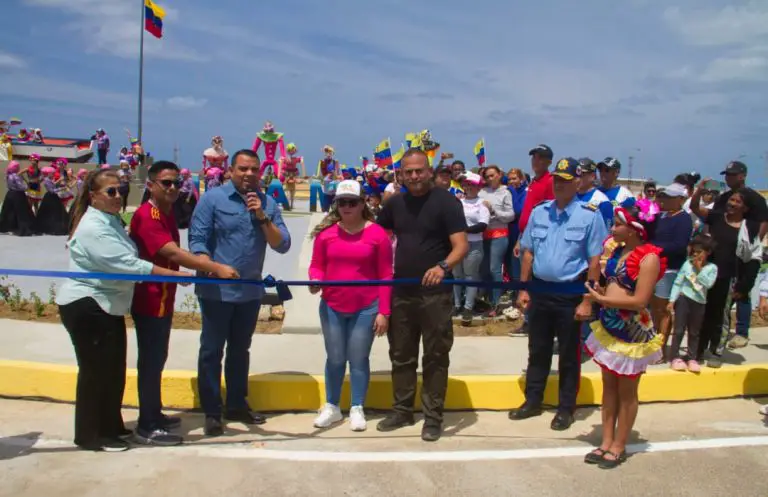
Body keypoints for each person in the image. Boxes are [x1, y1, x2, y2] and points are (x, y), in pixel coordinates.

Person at [55, 169, 190, 452]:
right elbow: (126, 263)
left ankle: (111, 428)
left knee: (112, 371)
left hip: (106, 306)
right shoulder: (93, 226)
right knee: (95, 373)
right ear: (93, 196)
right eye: (111, 192)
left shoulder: (110, 220)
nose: (118, 196)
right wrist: (172, 274)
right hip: (88, 305)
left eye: (121, 190)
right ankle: (93, 436)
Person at [129, 160, 239, 446]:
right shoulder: (148, 215)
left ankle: (155, 413)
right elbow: (171, 253)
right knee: (151, 362)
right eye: (166, 183)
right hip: (149, 300)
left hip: (163, 300)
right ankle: (147, 425)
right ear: (151, 185)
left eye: (177, 182)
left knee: (158, 358)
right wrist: (213, 267)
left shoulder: (165, 214)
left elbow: (175, 253)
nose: (173, 188)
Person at [189, 149, 291, 436]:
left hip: (249, 292)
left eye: (254, 169)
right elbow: (197, 240)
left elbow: (282, 244)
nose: (249, 174)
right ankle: (211, 410)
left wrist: (261, 216)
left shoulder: (267, 203)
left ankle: (236, 403)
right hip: (216, 292)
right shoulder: (212, 200)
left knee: (239, 351)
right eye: (243, 169)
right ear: (230, 171)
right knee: (211, 351)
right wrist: (211, 265)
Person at [375, 148, 468, 442]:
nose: (414, 177)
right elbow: (377, 239)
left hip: (435, 295)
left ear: (429, 171)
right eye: (408, 172)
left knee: (435, 356)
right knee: (401, 355)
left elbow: (461, 246)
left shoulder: (447, 202)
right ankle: (402, 410)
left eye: (419, 171)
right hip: (401, 292)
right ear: (400, 174)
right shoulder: (394, 203)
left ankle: (432, 417)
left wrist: (443, 266)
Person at [510, 158, 607, 431]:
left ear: (578, 182)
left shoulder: (589, 215)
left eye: (565, 180)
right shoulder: (541, 212)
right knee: (537, 350)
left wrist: (588, 299)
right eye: (556, 180)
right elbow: (528, 252)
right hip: (540, 290)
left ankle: (566, 408)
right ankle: (533, 401)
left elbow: (595, 261)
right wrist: (524, 288)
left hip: (570, 295)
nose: (559, 185)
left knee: (568, 353)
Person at [582, 206, 666, 469]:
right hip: (610, 326)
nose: (612, 229)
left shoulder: (648, 258)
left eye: (617, 224)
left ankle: (619, 444)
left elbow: (640, 301)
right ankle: (606, 440)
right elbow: (614, 286)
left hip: (631, 332)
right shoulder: (618, 253)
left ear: (633, 230)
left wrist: (600, 299)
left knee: (627, 391)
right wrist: (598, 291)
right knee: (609, 386)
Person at [308, 180, 393, 431]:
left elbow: (386, 274)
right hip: (332, 304)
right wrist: (315, 279)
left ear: (361, 203)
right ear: (336, 205)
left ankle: (357, 406)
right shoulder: (326, 235)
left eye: (351, 202)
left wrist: (384, 311)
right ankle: (332, 406)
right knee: (335, 358)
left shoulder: (377, 234)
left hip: (367, 307)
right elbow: (317, 264)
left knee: (358, 358)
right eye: (341, 202)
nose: (346, 207)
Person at [689, 184, 762, 367]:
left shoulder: (749, 229)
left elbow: (753, 259)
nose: (732, 203)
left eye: (738, 202)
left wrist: (744, 286)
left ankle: (716, 351)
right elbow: (694, 208)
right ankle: (696, 351)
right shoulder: (716, 217)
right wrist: (698, 191)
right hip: (706, 277)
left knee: (720, 316)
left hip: (728, 278)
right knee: (701, 313)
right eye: (731, 199)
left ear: (745, 208)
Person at [710, 161, 768, 349]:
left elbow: (763, 223)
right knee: (721, 291)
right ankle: (720, 329)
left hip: (743, 252)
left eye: (732, 174)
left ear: (742, 176)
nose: (728, 178)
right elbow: (714, 220)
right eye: (726, 174)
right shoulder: (724, 198)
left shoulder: (755, 199)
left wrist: (751, 245)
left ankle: (741, 332)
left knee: (742, 291)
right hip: (722, 250)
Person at [511, 144, 555, 335]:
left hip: (539, 237)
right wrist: (520, 239)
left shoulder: (550, 181)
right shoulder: (534, 182)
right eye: (534, 157)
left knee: (534, 279)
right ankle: (529, 320)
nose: (535, 161)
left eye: (540, 158)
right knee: (525, 277)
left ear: (548, 161)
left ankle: (536, 321)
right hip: (525, 235)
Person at [649, 183, 693, 362]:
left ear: (680, 200)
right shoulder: (660, 216)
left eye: (668, 197)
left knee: (663, 310)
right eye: (662, 197)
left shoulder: (684, 219)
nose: (663, 200)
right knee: (653, 309)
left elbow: (679, 245)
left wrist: (654, 248)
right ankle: (652, 343)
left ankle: (660, 349)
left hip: (670, 270)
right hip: (654, 267)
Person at [667, 234, 718, 373]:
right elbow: (678, 282)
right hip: (684, 298)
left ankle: (691, 357)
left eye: (700, 252)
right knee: (678, 330)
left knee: (694, 332)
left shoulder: (712, 268)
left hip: (699, 302)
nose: (696, 255)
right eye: (694, 251)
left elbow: (708, 284)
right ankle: (674, 357)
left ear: (708, 252)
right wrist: (672, 300)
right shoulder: (687, 264)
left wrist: (699, 269)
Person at [453, 172, 489, 326]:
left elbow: (483, 225)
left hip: (474, 244)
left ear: (478, 187)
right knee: (457, 277)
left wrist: (463, 230)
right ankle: (456, 305)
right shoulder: (458, 202)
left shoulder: (482, 204)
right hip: (456, 245)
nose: (468, 187)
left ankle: (468, 307)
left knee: (470, 277)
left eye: (472, 185)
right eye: (466, 184)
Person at [479, 165, 515, 315]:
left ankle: (496, 303)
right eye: (487, 176)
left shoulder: (505, 193)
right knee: (484, 269)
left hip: (499, 234)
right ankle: (486, 300)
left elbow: (511, 215)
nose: (490, 178)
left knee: (495, 268)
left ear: (500, 175)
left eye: (492, 175)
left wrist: (494, 210)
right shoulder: (481, 192)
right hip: (482, 235)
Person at [0, 160, 36, 236]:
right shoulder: (16, 176)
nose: (19, 168)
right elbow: (21, 186)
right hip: (18, 195)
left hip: (10, 194)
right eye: (18, 166)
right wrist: (27, 186)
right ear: (15, 168)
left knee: (9, 211)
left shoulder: (8, 175)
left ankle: (7, 227)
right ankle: (23, 228)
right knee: (22, 212)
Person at [506, 168, 528, 285]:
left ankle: (521, 291)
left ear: (521, 179)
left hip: (521, 233)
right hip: (508, 231)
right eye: (509, 179)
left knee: (518, 263)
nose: (511, 181)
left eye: (514, 178)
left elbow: (518, 210)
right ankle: (513, 290)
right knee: (509, 263)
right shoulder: (507, 190)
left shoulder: (526, 191)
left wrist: (512, 192)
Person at [576, 158, 613, 226]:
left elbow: (607, 230)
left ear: (593, 176)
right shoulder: (569, 196)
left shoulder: (602, 201)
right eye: (576, 174)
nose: (578, 178)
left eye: (582, 174)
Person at [33, 166, 69, 235]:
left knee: (55, 212)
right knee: (52, 212)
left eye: (53, 173)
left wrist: (59, 183)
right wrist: (61, 189)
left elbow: (53, 186)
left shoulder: (49, 179)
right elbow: (52, 190)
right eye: (52, 173)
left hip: (53, 197)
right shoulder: (46, 180)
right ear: (47, 173)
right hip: (50, 197)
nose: (53, 174)